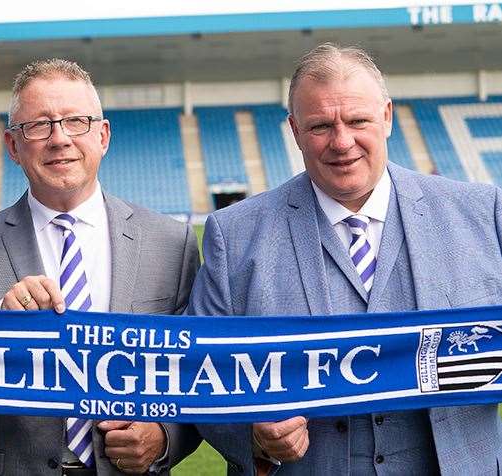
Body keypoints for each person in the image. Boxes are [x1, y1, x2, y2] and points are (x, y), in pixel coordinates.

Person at [189, 42, 502, 475]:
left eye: (358, 121)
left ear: (387, 117)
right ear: (295, 130)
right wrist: (252, 434)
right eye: (320, 126)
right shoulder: (235, 236)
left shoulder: (484, 213)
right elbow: (200, 376)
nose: (342, 142)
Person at [0, 58, 201, 475]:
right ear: (12, 147)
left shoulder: (171, 243)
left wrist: (164, 436)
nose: (60, 139)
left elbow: (200, 370)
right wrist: (0, 320)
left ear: (103, 135)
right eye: (38, 125)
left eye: (76, 121)